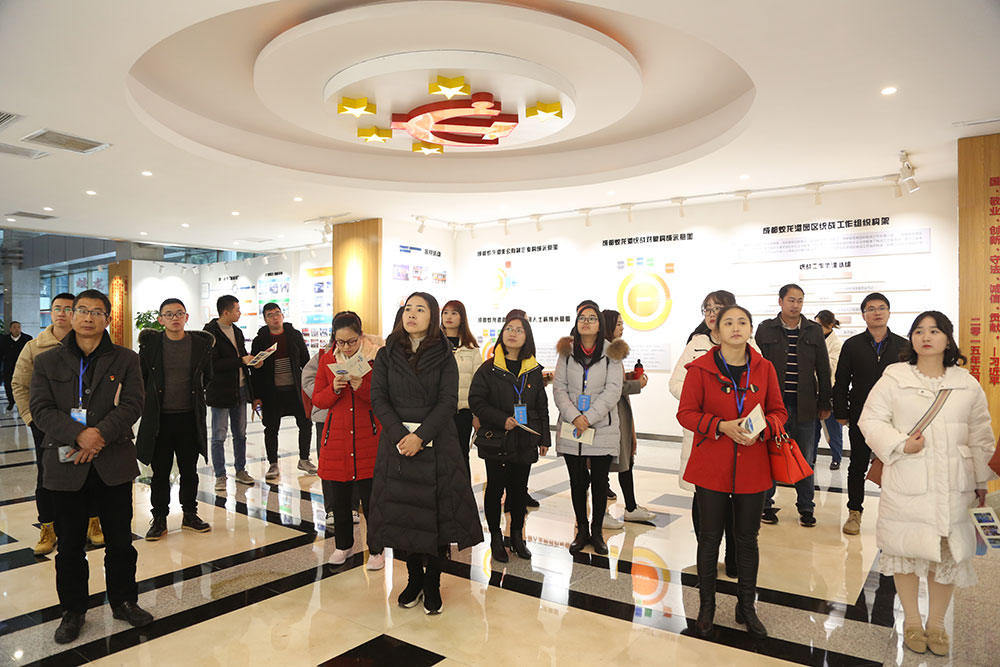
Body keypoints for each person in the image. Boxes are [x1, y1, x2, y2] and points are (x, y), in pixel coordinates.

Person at [859, 311, 996, 657]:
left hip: (955, 484)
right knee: (906, 551)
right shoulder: (895, 377)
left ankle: (936, 624)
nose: (926, 337)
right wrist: (900, 444)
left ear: (947, 339)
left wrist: (981, 480)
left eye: (934, 331)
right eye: (919, 331)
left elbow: (980, 434)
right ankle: (912, 621)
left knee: (946, 554)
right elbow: (870, 419)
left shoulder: (966, 383)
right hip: (908, 480)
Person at [29, 289, 153, 643]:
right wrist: (78, 435)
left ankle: (125, 601)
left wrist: (98, 434)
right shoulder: (47, 361)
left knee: (120, 541)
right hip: (66, 464)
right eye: (81, 310)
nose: (87, 317)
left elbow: (133, 404)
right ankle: (73, 610)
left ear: (107, 319)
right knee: (69, 545)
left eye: (96, 312)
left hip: (112, 462)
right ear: (70, 316)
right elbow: (40, 408)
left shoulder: (126, 359)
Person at [368, 292, 482, 615]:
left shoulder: (445, 354)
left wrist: (420, 436)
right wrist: (402, 436)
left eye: (420, 309)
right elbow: (378, 399)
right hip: (397, 447)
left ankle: (432, 581)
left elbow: (448, 402)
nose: (412, 314)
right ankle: (413, 578)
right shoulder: (387, 352)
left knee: (437, 517)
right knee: (402, 517)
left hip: (437, 444)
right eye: (408, 308)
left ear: (432, 317)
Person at [677, 305, 787, 638]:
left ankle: (746, 607)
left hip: (753, 466)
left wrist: (762, 429)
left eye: (742, 322)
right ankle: (706, 606)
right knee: (709, 538)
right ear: (717, 330)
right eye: (728, 322)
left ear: (750, 329)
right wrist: (721, 426)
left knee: (747, 540)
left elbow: (779, 411)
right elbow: (686, 413)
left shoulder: (764, 368)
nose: (736, 327)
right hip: (711, 465)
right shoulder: (700, 368)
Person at [12, 293, 103, 554]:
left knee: (90, 470)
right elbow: (19, 385)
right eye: (56, 309)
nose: (61, 313)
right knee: (47, 476)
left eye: (67, 308)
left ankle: (93, 522)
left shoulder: (90, 343)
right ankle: (48, 527)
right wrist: (32, 420)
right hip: (48, 426)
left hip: (85, 426)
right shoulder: (35, 347)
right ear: (51, 313)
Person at [670, 290, 752, 577]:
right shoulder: (697, 343)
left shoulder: (750, 344)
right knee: (703, 499)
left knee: (737, 500)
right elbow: (676, 384)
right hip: (706, 433)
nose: (712, 314)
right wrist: (707, 401)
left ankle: (733, 557)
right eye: (708, 309)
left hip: (739, 435)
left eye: (718, 308)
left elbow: (761, 389)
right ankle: (707, 558)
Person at [468, 311, 550, 562]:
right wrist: (500, 418)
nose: (513, 333)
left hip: (525, 439)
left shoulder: (533, 370)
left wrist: (544, 438)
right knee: (495, 489)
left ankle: (516, 535)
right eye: (509, 329)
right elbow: (476, 401)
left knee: (519, 490)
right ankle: (495, 537)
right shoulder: (489, 368)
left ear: (527, 337)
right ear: (502, 334)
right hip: (497, 439)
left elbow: (541, 405)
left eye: (519, 330)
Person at [552, 299, 627, 555]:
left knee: (599, 483)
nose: (586, 322)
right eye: (582, 318)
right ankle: (581, 529)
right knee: (576, 482)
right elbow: (559, 388)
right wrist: (575, 417)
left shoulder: (612, 353)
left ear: (599, 324)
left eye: (592, 318)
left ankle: (597, 532)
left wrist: (589, 417)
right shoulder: (566, 352)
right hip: (572, 427)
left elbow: (613, 390)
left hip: (601, 428)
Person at [311, 311, 384, 570]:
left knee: (372, 500)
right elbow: (318, 399)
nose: (346, 347)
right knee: (340, 500)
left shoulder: (376, 357)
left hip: (369, 437)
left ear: (361, 335)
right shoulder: (327, 359)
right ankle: (343, 545)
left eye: (352, 341)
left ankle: (377, 549)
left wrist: (361, 386)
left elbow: (382, 396)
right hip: (337, 438)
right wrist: (333, 389)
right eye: (341, 342)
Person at [136, 298, 214, 540]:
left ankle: (190, 514)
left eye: (179, 313)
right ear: (161, 320)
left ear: (187, 317)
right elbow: (140, 379)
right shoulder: (150, 346)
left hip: (189, 418)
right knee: (160, 472)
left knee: (189, 470)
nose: (175, 318)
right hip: (159, 420)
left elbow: (208, 376)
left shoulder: (200, 345)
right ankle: (159, 518)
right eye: (169, 314)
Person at [754, 284, 832, 527]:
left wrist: (825, 401)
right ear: (780, 301)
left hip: (805, 405)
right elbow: (755, 367)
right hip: (772, 406)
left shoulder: (813, 330)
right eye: (791, 300)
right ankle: (766, 505)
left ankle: (806, 507)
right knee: (769, 455)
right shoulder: (766, 329)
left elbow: (823, 368)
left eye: (799, 300)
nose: (795, 305)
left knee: (805, 458)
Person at [833, 293, 908, 536]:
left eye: (882, 308)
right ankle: (854, 512)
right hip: (861, 415)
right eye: (871, 309)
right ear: (863, 314)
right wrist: (841, 412)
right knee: (857, 464)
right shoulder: (852, 345)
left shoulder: (903, 346)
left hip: (895, 418)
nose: (877, 312)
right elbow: (841, 381)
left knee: (895, 465)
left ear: (889, 312)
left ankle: (896, 514)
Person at [250, 303, 316, 480]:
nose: (275, 318)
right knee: (271, 429)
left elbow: (305, 362)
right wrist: (256, 397)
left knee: (306, 423)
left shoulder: (294, 335)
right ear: (265, 319)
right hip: (271, 393)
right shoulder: (260, 340)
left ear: (282, 315)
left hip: (295, 390)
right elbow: (254, 371)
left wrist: (309, 388)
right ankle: (273, 464)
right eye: (270, 315)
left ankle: (304, 459)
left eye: (277, 313)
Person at [602, 309, 654, 525]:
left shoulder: (613, 349)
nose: (622, 328)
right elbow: (614, 387)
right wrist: (636, 384)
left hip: (620, 414)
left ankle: (631, 507)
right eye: (618, 324)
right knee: (603, 465)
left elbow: (617, 381)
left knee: (626, 461)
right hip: (609, 415)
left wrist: (631, 377)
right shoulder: (605, 352)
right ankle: (603, 513)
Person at [204, 295, 260, 491]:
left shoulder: (236, 331)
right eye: (237, 310)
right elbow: (213, 365)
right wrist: (240, 361)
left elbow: (242, 357)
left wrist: (252, 362)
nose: (240, 313)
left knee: (240, 434)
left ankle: (241, 470)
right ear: (226, 312)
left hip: (240, 388)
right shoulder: (210, 333)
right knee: (219, 435)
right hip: (220, 391)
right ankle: (220, 475)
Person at [441, 300, 480, 472]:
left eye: (454, 313)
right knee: (439, 457)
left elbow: (478, 385)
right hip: (438, 412)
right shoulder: (433, 344)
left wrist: (477, 415)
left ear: (462, 317)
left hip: (462, 413)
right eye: (445, 312)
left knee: (461, 457)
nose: (448, 317)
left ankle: (462, 490)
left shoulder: (471, 348)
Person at [814, 310, 844, 470]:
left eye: (820, 325)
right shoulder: (814, 339)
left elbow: (832, 367)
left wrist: (816, 362)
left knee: (833, 429)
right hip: (813, 391)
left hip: (829, 391)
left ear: (830, 325)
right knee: (813, 429)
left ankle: (836, 458)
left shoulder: (837, 343)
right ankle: (811, 457)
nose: (817, 328)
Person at [2, 320, 32, 411]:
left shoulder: (27, 339)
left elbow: (31, 352)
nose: (17, 329)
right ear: (10, 329)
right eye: (14, 327)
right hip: (8, 366)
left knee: (24, 384)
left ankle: (22, 404)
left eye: (18, 327)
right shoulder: (4, 339)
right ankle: (11, 401)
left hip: (23, 365)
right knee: (8, 384)